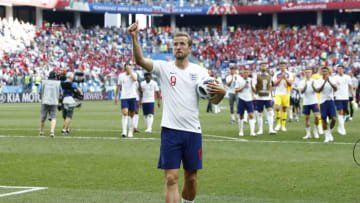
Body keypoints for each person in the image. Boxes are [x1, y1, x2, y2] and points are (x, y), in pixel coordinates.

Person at [128, 21, 226, 203]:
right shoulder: (164, 68)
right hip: (170, 131)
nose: (178, 47)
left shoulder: (201, 72)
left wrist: (221, 93)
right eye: (175, 44)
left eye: (182, 44)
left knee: (191, 178)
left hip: (192, 132)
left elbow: (214, 100)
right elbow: (140, 61)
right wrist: (135, 39)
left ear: (189, 48)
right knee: (171, 178)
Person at [312, 66, 337, 143]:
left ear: (328, 72)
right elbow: (318, 90)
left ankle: (329, 132)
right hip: (323, 101)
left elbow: (335, 89)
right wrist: (325, 82)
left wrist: (329, 81)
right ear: (321, 72)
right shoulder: (318, 80)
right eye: (323, 71)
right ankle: (326, 136)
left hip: (331, 100)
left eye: (326, 71)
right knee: (323, 119)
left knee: (334, 119)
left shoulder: (332, 79)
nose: (325, 73)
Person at [115, 63, 138, 138]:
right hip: (124, 97)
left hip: (133, 96)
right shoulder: (121, 76)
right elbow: (118, 86)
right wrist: (116, 96)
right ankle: (124, 131)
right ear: (124, 68)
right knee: (125, 113)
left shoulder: (134, 74)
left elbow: (135, 79)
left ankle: (130, 131)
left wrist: (130, 72)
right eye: (127, 67)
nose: (129, 69)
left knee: (132, 115)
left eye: (130, 67)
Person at [253, 61, 276, 135]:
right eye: (262, 65)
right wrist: (254, 94)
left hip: (268, 97)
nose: (263, 67)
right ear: (260, 67)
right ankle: (260, 130)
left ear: (267, 67)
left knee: (270, 112)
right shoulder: (256, 75)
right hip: (259, 97)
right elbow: (254, 86)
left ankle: (271, 129)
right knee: (259, 114)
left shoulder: (269, 76)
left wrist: (272, 96)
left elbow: (270, 87)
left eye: (264, 66)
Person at [39, 71, 62, 137]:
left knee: (43, 117)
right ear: (55, 76)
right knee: (53, 117)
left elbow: (40, 92)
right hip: (54, 102)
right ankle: (52, 132)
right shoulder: (58, 83)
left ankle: (41, 131)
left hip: (45, 101)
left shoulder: (44, 82)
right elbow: (61, 93)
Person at [299, 67, 320, 139]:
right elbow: (301, 91)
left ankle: (315, 131)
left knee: (317, 117)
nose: (307, 74)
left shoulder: (315, 81)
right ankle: (308, 134)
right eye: (306, 72)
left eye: (309, 72)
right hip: (306, 102)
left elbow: (317, 91)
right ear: (304, 73)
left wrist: (313, 86)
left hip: (314, 102)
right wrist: (305, 86)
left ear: (311, 73)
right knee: (307, 118)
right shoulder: (302, 82)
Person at [334, 64, 355, 135]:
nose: (340, 70)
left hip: (346, 97)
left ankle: (340, 127)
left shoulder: (347, 77)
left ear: (343, 69)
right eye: (338, 69)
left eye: (341, 69)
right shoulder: (335, 78)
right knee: (341, 111)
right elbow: (333, 88)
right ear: (337, 70)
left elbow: (351, 86)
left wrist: (353, 96)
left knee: (344, 113)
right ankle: (343, 130)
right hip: (338, 97)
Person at [272, 60, 293, 132]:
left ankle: (283, 125)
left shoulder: (289, 74)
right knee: (277, 107)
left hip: (286, 93)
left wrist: (285, 78)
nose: (282, 67)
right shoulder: (276, 74)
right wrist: (281, 78)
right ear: (279, 66)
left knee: (284, 109)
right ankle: (278, 124)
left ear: (286, 66)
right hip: (278, 93)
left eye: (283, 65)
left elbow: (290, 83)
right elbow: (274, 84)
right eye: (281, 65)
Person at [235, 68, 256, 136]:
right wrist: (244, 86)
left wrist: (252, 85)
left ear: (249, 73)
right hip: (241, 99)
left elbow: (255, 91)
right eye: (244, 72)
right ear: (242, 73)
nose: (246, 74)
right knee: (241, 116)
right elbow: (236, 90)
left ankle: (252, 132)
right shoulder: (239, 80)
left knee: (251, 115)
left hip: (249, 99)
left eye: (247, 72)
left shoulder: (251, 80)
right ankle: (241, 131)